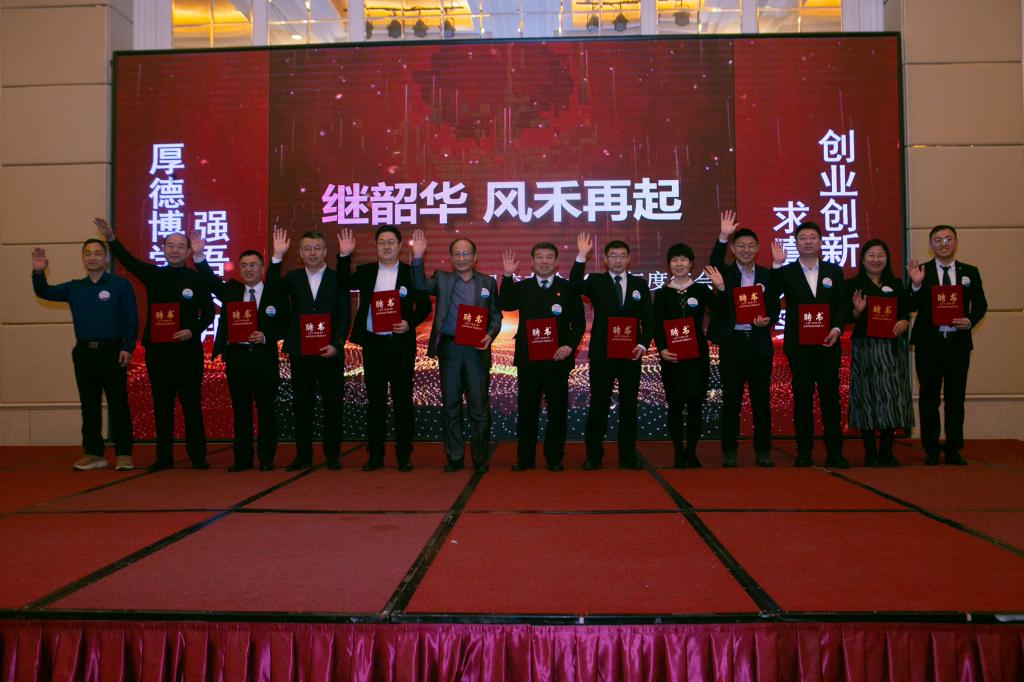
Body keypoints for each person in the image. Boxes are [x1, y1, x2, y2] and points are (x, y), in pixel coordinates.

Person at [95, 218, 213, 472]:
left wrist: (192, 331)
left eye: (180, 246)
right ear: (163, 249)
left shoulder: (196, 279)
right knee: (161, 405)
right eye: (170, 245)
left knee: (191, 404)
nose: (175, 250)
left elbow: (209, 314)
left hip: (188, 353)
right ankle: (163, 457)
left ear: (188, 251)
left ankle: (197, 456)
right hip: (159, 353)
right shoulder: (154, 275)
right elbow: (128, 261)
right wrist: (111, 239)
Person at [31, 240, 137, 471]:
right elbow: (45, 292)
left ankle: (123, 453)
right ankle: (93, 453)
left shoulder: (120, 285)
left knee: (118, 403)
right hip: (84, 353)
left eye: (97, 253)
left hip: (113, 351)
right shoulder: (75, 287)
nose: (92, 257)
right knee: (89, 405)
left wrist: (127, 347)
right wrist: (38, 273)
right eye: (88, 254)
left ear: (106, 258)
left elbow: (131, 319)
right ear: (83, 258)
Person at [190, 234, 290, 471]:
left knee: (266, 411)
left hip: (264, 358)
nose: (248, 269)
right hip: (237, 358)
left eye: (253, 265)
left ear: (262, 268)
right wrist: (199, 256)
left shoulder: (275, 293)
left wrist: (265, 336)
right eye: (244, 265)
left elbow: (286, 324)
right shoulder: (232, 291)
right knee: (241, 411)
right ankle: (242, 458)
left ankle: (266, 458)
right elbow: (210, 282)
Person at [337, 226, 431, 472]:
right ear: (376, 246)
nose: (386, 246)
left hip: (400, 345)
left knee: (403, 401)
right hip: (373, 344)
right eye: (382, 242)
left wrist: (409, 322)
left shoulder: (411, 273)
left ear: (399, 246)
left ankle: (404, 454)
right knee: (375, 402)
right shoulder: (366, 271)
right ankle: (375, 454)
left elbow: (424, 306)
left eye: (391, 242)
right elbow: (342, 282)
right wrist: (344, 255)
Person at [411, 230, 501, 473]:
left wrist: (490, 335)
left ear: (475, 257)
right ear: (451, 258)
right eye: (457, 254)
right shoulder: (442, 279)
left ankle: (480, 458)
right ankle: (455, 457)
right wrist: (417, 257)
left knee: (479, 406)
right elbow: (419, 285)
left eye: (466, 253)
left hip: (476, 349)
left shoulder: (487, 283)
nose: (462, 258)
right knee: (450, 405)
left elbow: (495, 315)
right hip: (450, 349)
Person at [267, 228, 350, 471]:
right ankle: (303, 455)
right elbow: (271, 288)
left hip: (330, 353)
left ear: (325, 252)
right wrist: (277, 257)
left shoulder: (337, 278)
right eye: (307, 249)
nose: (312, 253)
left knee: (332, 406)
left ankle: (332, 455)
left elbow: (345, 314)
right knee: (302, 406)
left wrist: (337, 344)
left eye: (317, 248)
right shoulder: (293, 278)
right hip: (300, 353)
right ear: (300, 253)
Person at [499, 243, 585, 471]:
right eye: (539, 257)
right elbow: (505, 303)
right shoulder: (523, 287)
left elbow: (579, 323)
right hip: (528, 360)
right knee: (527, 410)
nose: (544, 261)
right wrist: (507, 276)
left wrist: (569, 346)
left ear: (556, 262)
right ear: (532, 261)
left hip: (557, 360)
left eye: (549, 257)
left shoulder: (567, 288)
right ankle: (524, 458)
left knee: (557, 411)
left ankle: (554, 458)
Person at [570, 233, 652, 470]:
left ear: (629, 259)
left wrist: (643, 344)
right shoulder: (596, 281)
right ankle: (593, 455)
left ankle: (628, 455)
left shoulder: (639, 284)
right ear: (605, 259)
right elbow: (574, 286)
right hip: (602, 354)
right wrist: (581, 256)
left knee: (629, 405)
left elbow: (649, 318)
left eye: (622, 256)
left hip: (631, 354)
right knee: (599, 403)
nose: (618, 260)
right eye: (613, 256)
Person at [907, 225, 987, 465]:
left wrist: (969, 321)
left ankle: (953, 447)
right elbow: (909, 305)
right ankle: (931, 447)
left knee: (955, 396)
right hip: (928, 344)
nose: (943, 243)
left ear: (956, 242)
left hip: (957, 345)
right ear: (930, 245)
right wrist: (916, 284)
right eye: (938, 240)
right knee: (929, 396)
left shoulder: (969, 272)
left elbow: (981, 304)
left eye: (948, 239)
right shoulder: (921, 271)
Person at [771, 221, 848, 468]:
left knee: (830, 399)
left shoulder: (834, 271)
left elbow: (842, 304)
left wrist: (837, 329)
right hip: (799, 347)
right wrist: (776, 265)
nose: (807, 241)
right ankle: (804, 452)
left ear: (820, 242)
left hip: (827, 345)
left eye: (812, 237)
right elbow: (771, 295)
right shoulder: (787, 272)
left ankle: (835, 452)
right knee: (802, 400)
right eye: (802, 238)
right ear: (796, 243)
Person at [707, 211, 780, 468]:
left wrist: (767, 319)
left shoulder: (767, 275)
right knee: (731, 400)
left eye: (750, 246)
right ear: (733, 249)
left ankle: (763, 450)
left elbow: (774, 306)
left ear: (758, 249)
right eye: (741, 246)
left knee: (761, 401)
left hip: (758, 343)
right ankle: (729, 450)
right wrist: (723, 236)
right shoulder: (725, 274)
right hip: (733, 343)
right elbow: (714, 261)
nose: (746, 250)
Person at [846, 239, 913, 466]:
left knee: (891, 397)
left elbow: (905, 313)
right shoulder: (853, 284)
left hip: (891, 349)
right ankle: (870, 452)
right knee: (866, 397)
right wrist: (857, 310)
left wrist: (904, 322)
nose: (876, 260)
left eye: (880, 255)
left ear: (887, 259)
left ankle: (886, 450)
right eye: (871, 255)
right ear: (863, 259)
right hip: (865, 348)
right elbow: (847, 318)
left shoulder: (896, 284)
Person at [652, 243, 715, 468]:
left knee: (696, 405)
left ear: (691, 264)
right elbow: (656, 325)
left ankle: (692, 452)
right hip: (672, 358)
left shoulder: (701, 290)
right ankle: (678, 452)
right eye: (674, 260)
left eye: (683, 260)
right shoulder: (662, 294)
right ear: (669, 265)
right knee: (675, 406)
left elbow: (723, 311)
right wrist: (662, 349)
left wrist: (720, 287)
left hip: (697, 357)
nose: (679, 264)